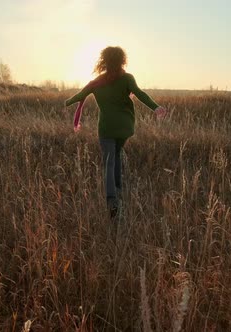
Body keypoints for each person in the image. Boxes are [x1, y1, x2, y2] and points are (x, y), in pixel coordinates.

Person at [65, 46, 167, 219]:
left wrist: (66, 102)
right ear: (122, 60)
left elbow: (78, 96)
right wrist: (155, 107)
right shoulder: (127, 78)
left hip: (106, 128)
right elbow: (140, 94)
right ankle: (118, 190)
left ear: (104, 61)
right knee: (117, 154)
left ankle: (112, 200)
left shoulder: (96, 82)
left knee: (109, 163)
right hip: (125, 127)